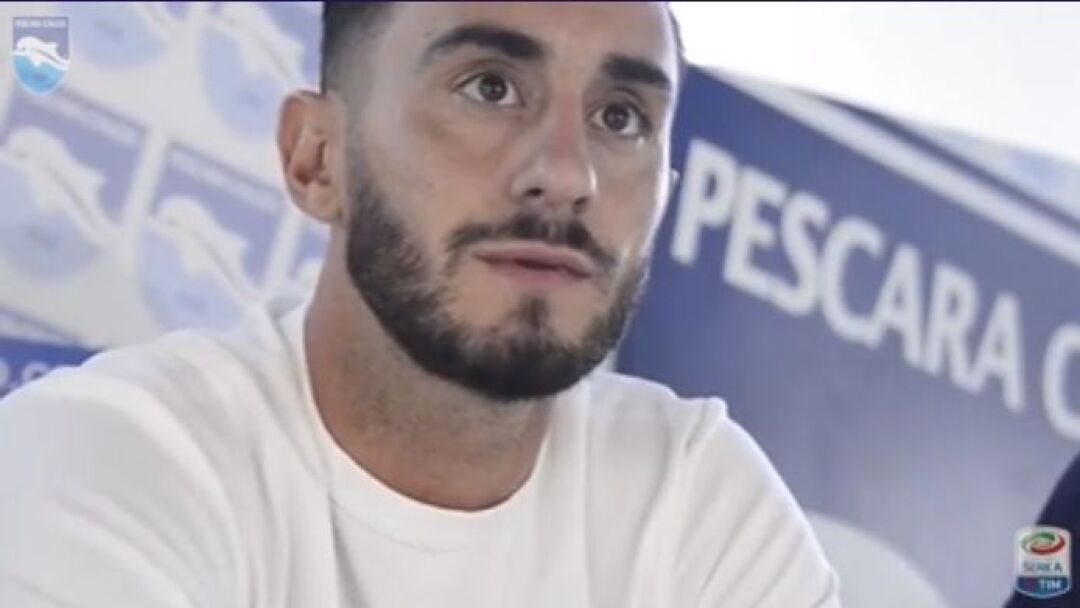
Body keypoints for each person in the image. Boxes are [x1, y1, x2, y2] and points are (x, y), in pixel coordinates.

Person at [0, 3, 839, 606]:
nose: (567, 174)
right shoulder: (103, 456)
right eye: (490, 87)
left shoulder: (694, 496)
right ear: (316, 160)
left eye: (621, 117)